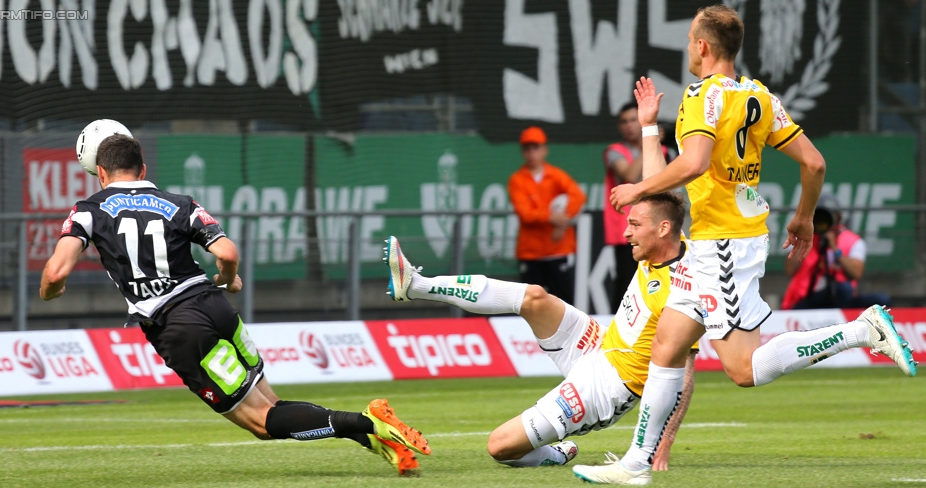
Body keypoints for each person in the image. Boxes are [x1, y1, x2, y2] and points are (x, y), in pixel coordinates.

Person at [579, 5, 917, 484]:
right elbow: (814, 164)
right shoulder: (759, 96)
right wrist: (803, 217)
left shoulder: (700, 96)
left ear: (702, 46)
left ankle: (861, 331)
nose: (688, 52)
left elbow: (693, 163)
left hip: (724, 246)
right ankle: (636, 464)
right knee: (666, 346)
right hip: (714, 246)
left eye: (690, 42)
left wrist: (635, 189)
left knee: (743, 369)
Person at [39, 133, 431, 476]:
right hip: (215, 307)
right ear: (142, 169)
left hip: (180, 328)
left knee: (261, 422)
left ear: (101, 174)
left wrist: (50, 292)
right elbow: (226, 252)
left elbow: (56, 274)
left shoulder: (88, 211)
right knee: (271, 403)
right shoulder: (178, 203)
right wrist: (227, 280)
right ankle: (382, 442)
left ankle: (368, 422)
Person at [383, 191, 696, 473]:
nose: (626, 232)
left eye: (634, 225)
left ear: (662, 229)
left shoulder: (683, 292)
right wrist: (649, 128)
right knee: (534, 297)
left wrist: (661, 444)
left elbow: (680, 370)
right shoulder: (666, 241)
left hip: (606, 388)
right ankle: (415, 286)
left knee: (500, 446)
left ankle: (553, 455)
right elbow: (664, 195)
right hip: (599, 343)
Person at [604, 103, 672, 310]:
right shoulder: (614, 151)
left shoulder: (666, 152)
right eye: (624, 122)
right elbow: (630, 176)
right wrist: (650, 141)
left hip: (657, 228)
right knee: (627, 283)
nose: (629, 126)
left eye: (634, 120)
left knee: (661, 278)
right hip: (625, 230)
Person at [508, 126, 586, 305]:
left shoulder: (556, 175)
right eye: (527, 148)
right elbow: (525, 214)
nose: (531, 152)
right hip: (531, 252)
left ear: (544, 150)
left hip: (558, 248)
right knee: (531, 306)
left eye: (535, 147)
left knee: (564, 304)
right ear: (522, 152)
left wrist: (561, 222)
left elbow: (578, 196)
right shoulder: (517, 180)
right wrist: (552, 218)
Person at [782, 194, 892, 310]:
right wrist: (803, 237)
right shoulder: (805, 238)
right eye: (819, 216)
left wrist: (835, 249)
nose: (823, 221)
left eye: (828, 216)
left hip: (843, 296)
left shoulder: (853, 241)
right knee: (841, 290)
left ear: (838, 218)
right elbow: (790, 270)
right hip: (808, 298)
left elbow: (856, 273)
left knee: (881, 300)